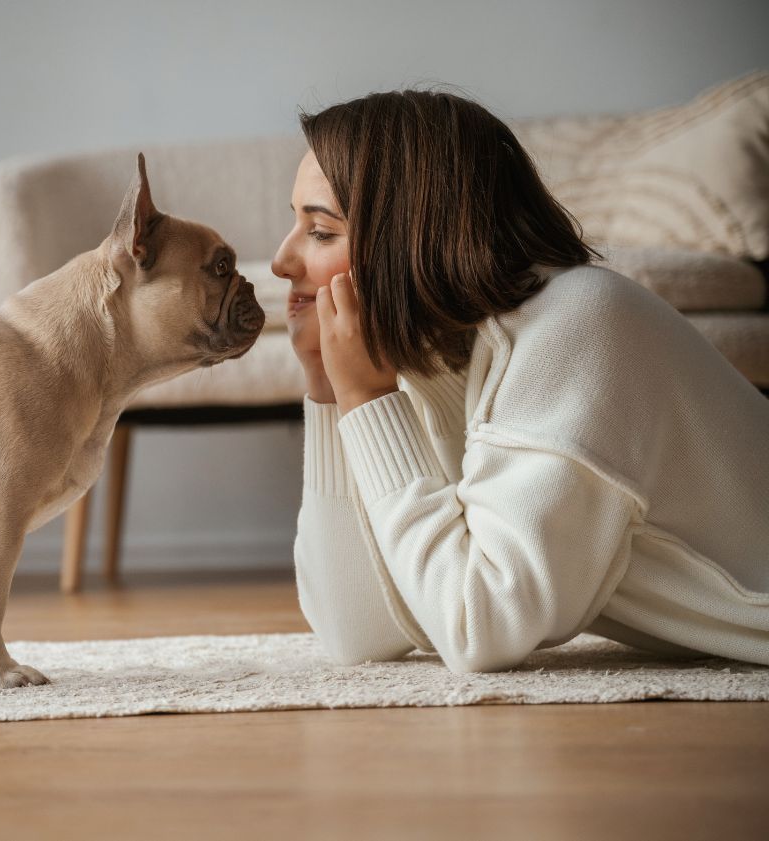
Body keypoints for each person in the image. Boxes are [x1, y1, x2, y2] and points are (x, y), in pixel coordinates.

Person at [272, 89, 769, 672]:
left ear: (410, 235)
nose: (281, 260)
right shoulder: (438, 353)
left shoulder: (578, 322)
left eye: (321, 231)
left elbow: (480, 627)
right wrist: (330, 389)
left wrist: (366, 397)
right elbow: (357, 632)